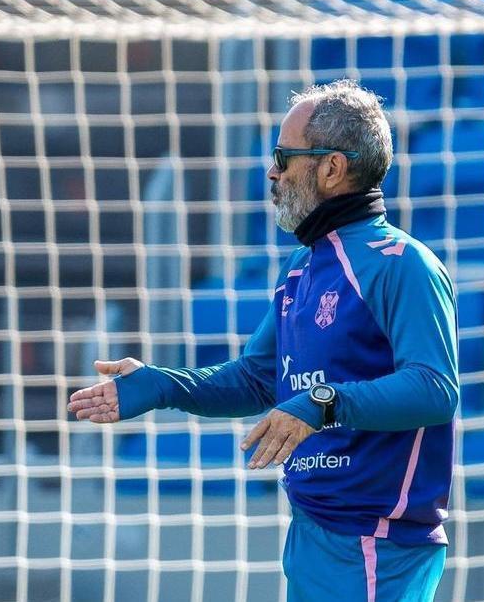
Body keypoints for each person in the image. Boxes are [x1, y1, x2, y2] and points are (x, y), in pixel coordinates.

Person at [68, 79, 457, 601]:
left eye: (283, 156)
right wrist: (164, 385)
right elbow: (257, 378)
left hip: (378, 543)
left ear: (332, 168)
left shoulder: (402, 265)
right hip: (315, 531)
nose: (272, 171)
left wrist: (322, 404)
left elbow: (435, 388)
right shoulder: (303, 268)